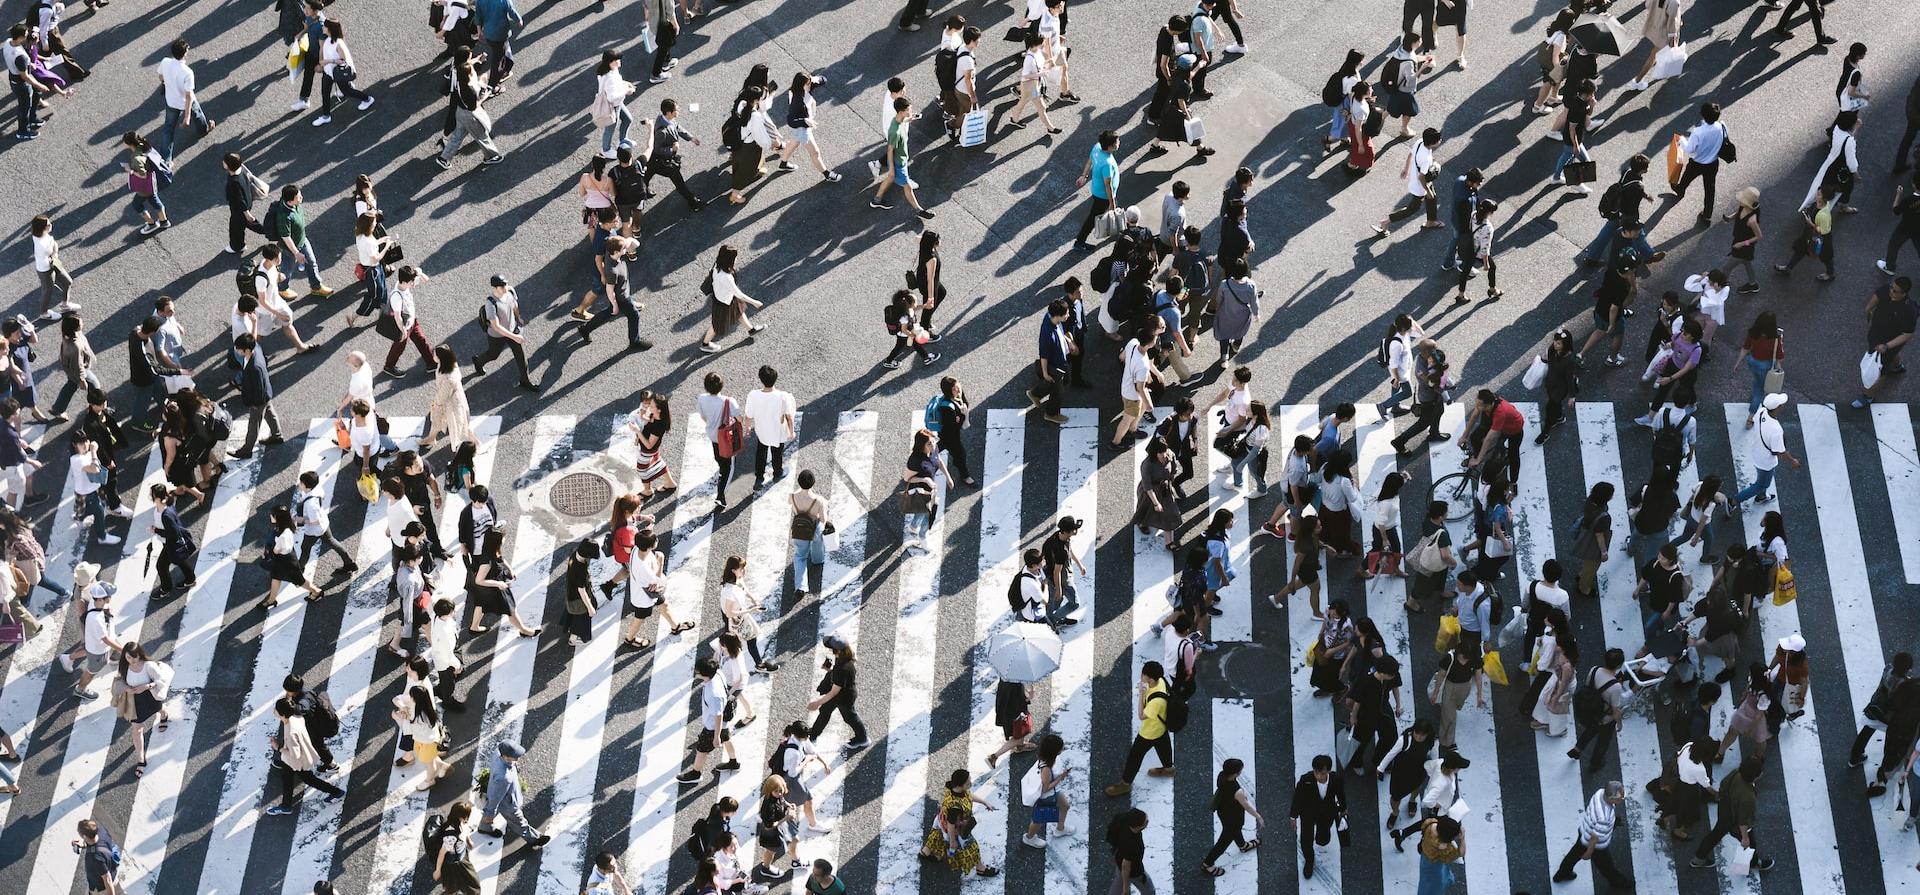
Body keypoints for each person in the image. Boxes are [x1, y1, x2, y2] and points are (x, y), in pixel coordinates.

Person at [1689, 755, 1775, 870]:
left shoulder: (1736, 773)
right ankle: (1754, 863)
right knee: (1750, 844)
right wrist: (1745, 837)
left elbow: (1723, 784)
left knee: (1715, 834)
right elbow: (1743, 821)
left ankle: (1699, 859)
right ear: (1756, 776)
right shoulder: (1748, 797)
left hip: (1724, 811)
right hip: (1734, 822)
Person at [1104, 661, 1174, 796]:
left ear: (1151, 680)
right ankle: (1169, 769)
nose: (1141, 676)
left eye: (1143, 675)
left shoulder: (1156, 701)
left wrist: (1141, 694)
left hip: (1149, 732)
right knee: (1163, 746)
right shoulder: (1160, 681)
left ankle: (1125, 784)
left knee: (1134, 757)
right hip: (1161, 726)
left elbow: (1141, 715)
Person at [265, 694, 342, 814]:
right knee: (287, 776)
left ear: (283, 714)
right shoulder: (296, 717)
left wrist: (278, 747)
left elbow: (294, 755)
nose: (273, 711)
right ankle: (286, 805)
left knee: (309, 779)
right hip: (299, 754)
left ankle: (336, 792)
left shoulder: (291, 731)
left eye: (276, 710)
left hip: (297, 760)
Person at [436, 47, 507, 170]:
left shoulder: (457, 70)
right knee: (481, 135)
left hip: (460, 111)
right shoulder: (469, 90)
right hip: (470, 115)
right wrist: (486, 93)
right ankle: (491, 156)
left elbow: (467, 64)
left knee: (458, 135)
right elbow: (474, 105)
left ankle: (444, 158)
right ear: (468, 75)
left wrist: (477, 60)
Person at [1853, 276, 1915, 408]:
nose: (1891, 291)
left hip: (1888, 343)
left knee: (1879, 370)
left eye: (1895, 291)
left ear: (1904, 294)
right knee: (1889, 358)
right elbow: (1873, 301)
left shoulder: (1908, 311)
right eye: (1891, 287)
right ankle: (1896, 367)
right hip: (1876, 336)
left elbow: (1907, 334)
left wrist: (1887, 346)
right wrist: (1868, 310)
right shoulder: (1886, 290)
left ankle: (1868, 396)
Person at [1373, 128, 1444, 236]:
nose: (1440, 141)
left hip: (1419, 180)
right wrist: (1427, 191)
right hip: (1420, 186)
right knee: (1412, 209)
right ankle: (1386, 222)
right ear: (1432, 143)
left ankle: (1431, 221)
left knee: (1432, 198)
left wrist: (1406, 169)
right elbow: (1421, 177)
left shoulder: (1420, 142)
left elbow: (1411, 154)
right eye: (1438, 140)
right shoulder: (1425, 158)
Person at [871, 96, 933, 219]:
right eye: (908, 110)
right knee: (907, 187)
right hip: (898, 163)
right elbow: (890, 151)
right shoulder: (895, 132)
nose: (911, 111)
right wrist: (892, 169)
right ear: (900, 112)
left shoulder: (898, 120)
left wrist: (910, 118)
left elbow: (903, 121)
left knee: (890, 178)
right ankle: (919, 210)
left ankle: (876, 200)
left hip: (901, 160)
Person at [477, 741, 549, 845]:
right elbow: (496, 797)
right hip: (508, 803)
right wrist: (490, 813)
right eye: (514, 756)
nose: (517, 758)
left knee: (492, 809)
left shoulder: (497, 754)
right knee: (518, 821)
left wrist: (490, 812)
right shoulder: (504, 777)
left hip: (498, 792)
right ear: (506, 756)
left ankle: (484, 828)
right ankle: (534, 839)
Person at [1733, 393, 1799, 505]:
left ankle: (1762, 496)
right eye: (1781, 404)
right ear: (1777, 408)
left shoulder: (1762, 411)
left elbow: (1755, 421)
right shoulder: (1776, 430)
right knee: (1761, 485)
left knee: (1762, 480)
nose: (1783, 405)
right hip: (1766, 461)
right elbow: (1780, 451)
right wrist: (1793, 461)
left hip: (1756, 451)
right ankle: (1734, 501)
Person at [807, 636, 868, 753]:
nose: (830, 650)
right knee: (825, 712)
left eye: (832, 649)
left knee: (850, 717)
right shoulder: (844, 656)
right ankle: (813, 735)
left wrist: (817, 703)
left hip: (844, 698)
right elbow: (838, 682)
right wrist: (830, 670)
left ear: (838, 650)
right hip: (841, 693)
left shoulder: (843, 668)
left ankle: (863, 738)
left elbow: (834, 692)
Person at [1568, 648, 1626, 771]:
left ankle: (1577, 749)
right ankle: (1595, 764)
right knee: (1603, 742)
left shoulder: (1594, 670)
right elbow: (1615, 710)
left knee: (1590, 730)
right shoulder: (1615, 687)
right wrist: (1619, 723)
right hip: (1604, 718)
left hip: (1590, 710)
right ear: (1619, 665)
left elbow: (1588, 687)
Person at [393, 685, 452, 791]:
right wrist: (406, 715)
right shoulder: (425, 708)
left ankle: (430, 780)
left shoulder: (420, 717)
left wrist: (404, 717)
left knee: (429, 764)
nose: (410, 698)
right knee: (427, 757)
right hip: (425, 741)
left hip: (427, 742)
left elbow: (411, 727)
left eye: (411, 697)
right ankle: (442, 766)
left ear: (416, 699)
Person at [1073, 130, 1122, 250]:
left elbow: (1090, 161)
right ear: (1110, 146)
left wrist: (1084, 176)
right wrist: (1111, 203)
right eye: (1117, 142)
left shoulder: (1097, 147)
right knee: (1093, 218)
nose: (1119, 142)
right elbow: (1108, 185)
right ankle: (1080, 242)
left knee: (1101, 212)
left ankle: (1118, 227)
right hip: (1104, 196)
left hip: (1097, 189)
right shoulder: (1107, 164)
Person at [28, 216, 77, 320]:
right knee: (48, 292)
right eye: (48, 224)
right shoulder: (41, 244)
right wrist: (54, 255)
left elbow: (52, 244)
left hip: (52, 264)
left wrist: (54, 252)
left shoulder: (41, 235)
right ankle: (44, 313)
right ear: (42, 228)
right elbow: (45, 260)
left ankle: (65, 304)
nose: (51, 225)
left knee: (67, 282)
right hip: (46, 270)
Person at [431, 801, 482, 894]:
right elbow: (442, 853)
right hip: (454, 864)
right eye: (467, 815)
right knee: (468, 884)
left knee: (458, 884)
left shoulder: (461, 822)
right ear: (461, 817)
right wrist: (438, 870)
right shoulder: (451, 836)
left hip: (461, 855)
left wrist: (468, 841)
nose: (468, 818)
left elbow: (464, 831)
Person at [1104, 808, 1151, 895]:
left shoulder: (1122, 819)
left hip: (1119, 858)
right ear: (1138, 827)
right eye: (1145, 822)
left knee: (1118, 882)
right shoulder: (1134, 844)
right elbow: (1126, 866)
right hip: (1134, 871)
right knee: (1149, 890)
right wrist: (1126, 889)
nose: (1148, 821)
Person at [1882, 173, 1920, 276]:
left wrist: (1898, 194)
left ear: (1914, 184)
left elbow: (1896, 211)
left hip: (1905, 228)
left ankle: (1890, 267)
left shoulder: (1909, 199)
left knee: (1894, 245)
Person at [74, 819, 123, 895]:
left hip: (103, 888)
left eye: (79, 833)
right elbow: (99, 844)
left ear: (85, 836)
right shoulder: (102, 831)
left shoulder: (94, 857)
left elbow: (107, 879)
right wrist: (84, 845)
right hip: (114, 874)